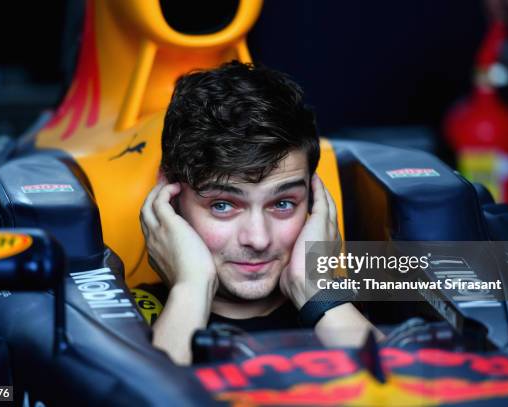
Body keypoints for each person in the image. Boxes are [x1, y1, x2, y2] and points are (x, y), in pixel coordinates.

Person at [138, 61, 379, 365]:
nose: (258, 239)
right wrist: (192, 289)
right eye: (222, 205)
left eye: (282, 204)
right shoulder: (125, 314)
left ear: (313, 195)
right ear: (170, 197)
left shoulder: (358, 304)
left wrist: (317, 294)